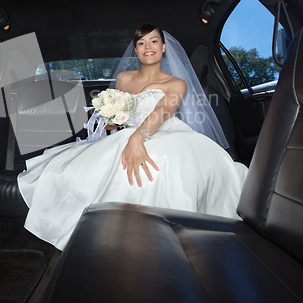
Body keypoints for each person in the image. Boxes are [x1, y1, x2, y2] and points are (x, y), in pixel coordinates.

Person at [18, 25, 247, 250]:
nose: (148, 46)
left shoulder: (176, 83)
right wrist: (112, 117)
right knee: (69, 168)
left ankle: (158, 242)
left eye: (154, 41)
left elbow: (163, 111)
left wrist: (138, 137)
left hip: (166, 133)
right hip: (126, 135)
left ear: (164, 47)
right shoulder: (123, 78)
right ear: (136, 50)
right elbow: (115, 123)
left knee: (163, 165)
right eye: (141, 42)